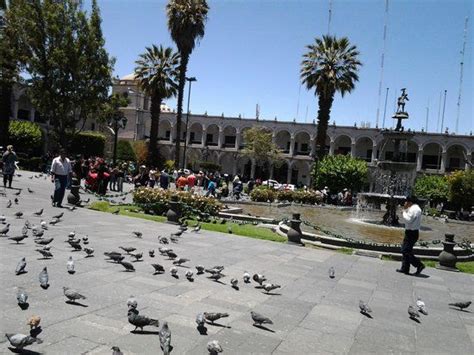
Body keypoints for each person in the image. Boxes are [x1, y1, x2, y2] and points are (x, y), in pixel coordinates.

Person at [397, 196, 425, 275]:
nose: (405, 203)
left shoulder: (414, 209)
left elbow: (409, 220)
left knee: (405, 250)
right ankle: (405, 268)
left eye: (406, 201)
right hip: (411, 232)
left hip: (412, 233)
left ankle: (419, 265)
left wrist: (403, 212)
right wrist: (405, 209)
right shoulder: (414, 208)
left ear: (410, 202)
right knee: (406, 251)